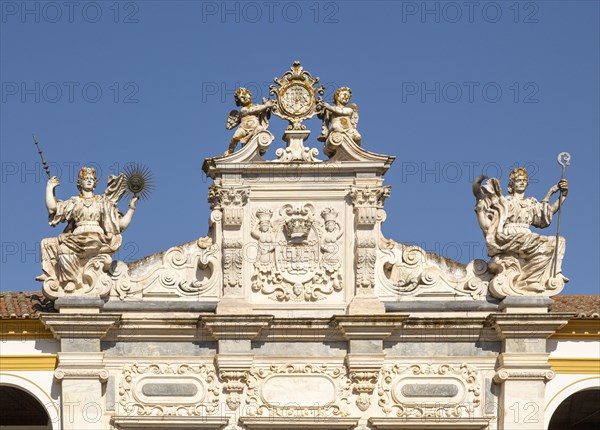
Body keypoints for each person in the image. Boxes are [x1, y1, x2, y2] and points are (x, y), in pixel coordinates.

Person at [38, 167, 138, 292]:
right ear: (80, 183)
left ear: (95, 183)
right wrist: (49, 188)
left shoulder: (102, 202)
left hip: (97, 237)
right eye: (86, 179)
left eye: (92, 179)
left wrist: (131, 209)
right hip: (77, 236)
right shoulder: (75, 202)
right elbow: (53, 208)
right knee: (59, 247)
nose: (89, 181)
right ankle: (72, 280)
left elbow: (119, 226)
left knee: (63, 246)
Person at [474, 167, 568, 292]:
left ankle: (532, 280)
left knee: (558, 242)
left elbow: (547, 214)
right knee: (548, 243)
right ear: (511, 185)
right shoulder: (505, 201)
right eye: (518, 180)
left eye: (524, 180)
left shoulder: (530, 203)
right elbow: (487, 222)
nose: (522, 182)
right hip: (509, 235)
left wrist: (561, 196)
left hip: (527, 236)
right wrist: (480, 207)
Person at [225, 87, 274, 155]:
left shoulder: (258, 106)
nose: (243, 98)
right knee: (235, 137)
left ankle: (261, 150)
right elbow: (253, 110)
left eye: (244, 96)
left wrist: (267, 110)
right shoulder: (244, 109)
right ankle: (230, 150)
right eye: (241, 98)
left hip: (255, 128)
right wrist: (265, 105)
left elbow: (266, 116)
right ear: (239, 102)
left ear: (249, 95)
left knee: (261, 129)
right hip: (243, 129)